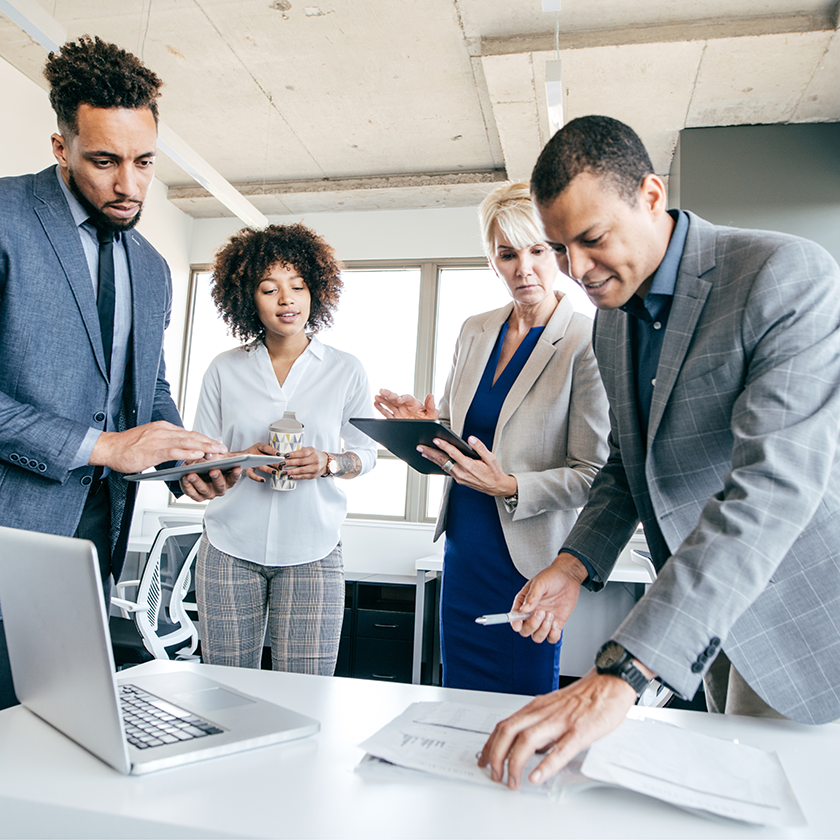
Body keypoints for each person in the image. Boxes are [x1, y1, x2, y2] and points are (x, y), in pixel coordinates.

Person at [479, 115, 840, 789]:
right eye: (559, 248)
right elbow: (625, 464)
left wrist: (624, 674)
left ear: (650, 195)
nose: (575, 271)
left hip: (801, 619)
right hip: (706, 630)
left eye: (591, 239)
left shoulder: (781, 275)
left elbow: (771, 492)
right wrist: (572, 563)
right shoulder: (612, 322)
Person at [0, 36, 237, 711]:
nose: (129, 186)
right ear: (60, 147)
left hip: (95, 540)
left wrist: (182, 456)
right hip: (9, 527)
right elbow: (109, 435)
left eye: (143, 162)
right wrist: (103, 447)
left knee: (59, 727)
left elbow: (146, 392)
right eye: (104, 161)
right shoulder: (5, 218)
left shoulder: (154, 268)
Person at [375, 182, 609, 695]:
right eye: (507, 254)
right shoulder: (475, 330)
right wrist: (424, 428)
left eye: (537, 251)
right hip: (465, 546)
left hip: (528, 557)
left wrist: (512, 486)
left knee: (521, 701)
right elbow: (460, 448)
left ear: (560, 254)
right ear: (492, 260)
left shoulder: (587, 340)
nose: (523, 268)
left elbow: (593, 473)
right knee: (457, 694)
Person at [193, 223, 377, 676]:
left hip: (312, 548)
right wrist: (240, 460)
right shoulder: (224, 369)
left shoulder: (344, 370)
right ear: (247, 298)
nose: (286, 300)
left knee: (308, 691)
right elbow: (201, 456)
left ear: (315, 291)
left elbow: (365, 454)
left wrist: (329, 462)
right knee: (225, 688)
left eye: (297, 286)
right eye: (269, 289)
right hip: (229, 546)